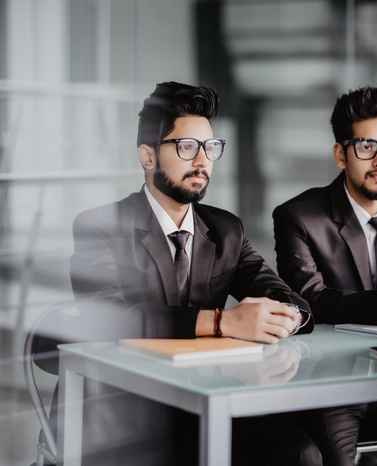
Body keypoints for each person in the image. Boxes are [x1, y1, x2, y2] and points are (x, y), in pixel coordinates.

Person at [69, 81, 320, 466]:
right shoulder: (100, 225)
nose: (202, 161)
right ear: (148, 157)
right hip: (124, 411)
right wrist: (223, 322)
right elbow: (105, 317)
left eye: (211, 148)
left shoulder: (226, 230)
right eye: (186, 147)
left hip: (208, 400)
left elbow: (287, 297)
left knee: (299, 450)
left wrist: (287, 316)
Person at [273, 86, 377, 465]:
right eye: (367, 146)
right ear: (340, 153)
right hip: (333, 390)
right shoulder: (299, 217)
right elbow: (310, 300)